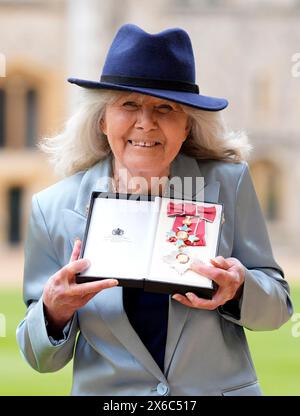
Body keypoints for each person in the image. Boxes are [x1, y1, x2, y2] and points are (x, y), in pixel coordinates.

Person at [16, 23, 292, 396]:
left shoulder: (230, 184)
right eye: (128, 104)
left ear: (187, 127)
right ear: (102, 120)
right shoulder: (52, 209)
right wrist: (53, 311)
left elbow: (278, 307)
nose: (145, 122)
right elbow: (39, 357)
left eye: (165, 107)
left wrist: (241, 288)